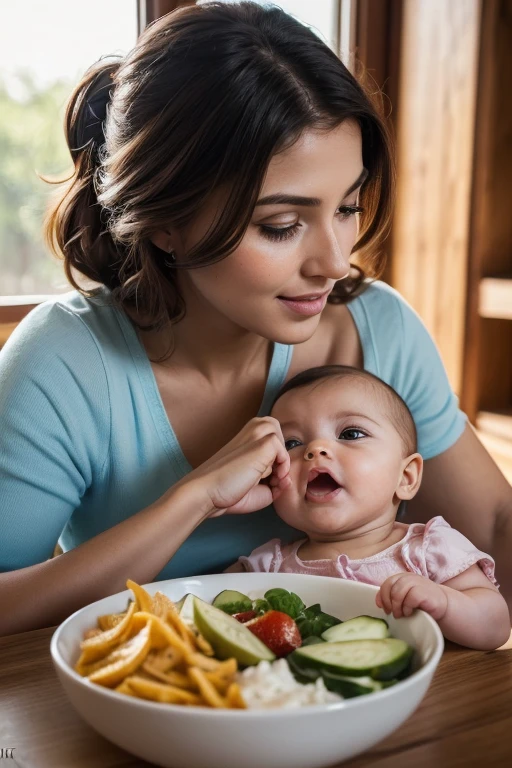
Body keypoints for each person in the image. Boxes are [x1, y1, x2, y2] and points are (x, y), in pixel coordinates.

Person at [0, 1, 511, 637]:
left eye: (347, 206)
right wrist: (193, 499)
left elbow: (493, 527)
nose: (334, 260)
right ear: (166, 226)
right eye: (282, 225)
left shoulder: (377, 329)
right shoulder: (63, 362)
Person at [226, 365, 510, 650]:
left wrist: (445, 603)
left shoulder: (428, 549)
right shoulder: (269, 566)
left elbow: (496, 626)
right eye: (292, 443)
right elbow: (204, 607)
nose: (315, 449)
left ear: (406, 477)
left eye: (350, 434)